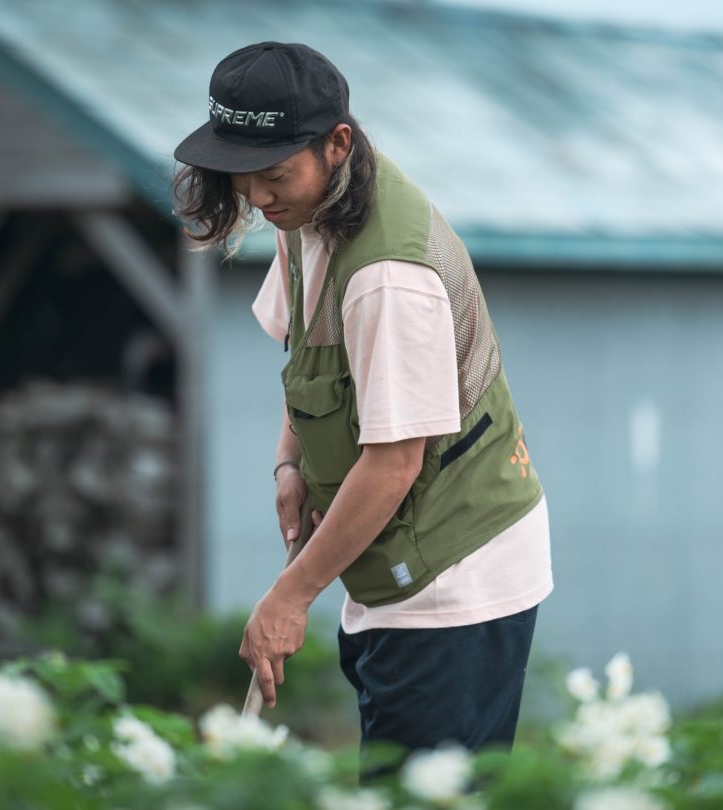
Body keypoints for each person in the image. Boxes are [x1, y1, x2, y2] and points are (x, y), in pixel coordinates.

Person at [173, 42, 552, 769]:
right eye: (242, 176)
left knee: (422, 790)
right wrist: (290, 463)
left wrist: (289, 598)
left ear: (337, 143)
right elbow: (311, 360)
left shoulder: (387, 276)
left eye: (275, 174)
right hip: (393, 561)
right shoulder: (303, 211)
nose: (257, 197)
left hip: (453, 574)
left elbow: (393, 462)